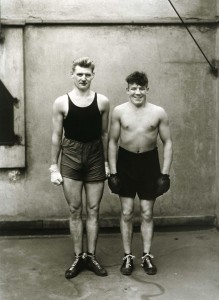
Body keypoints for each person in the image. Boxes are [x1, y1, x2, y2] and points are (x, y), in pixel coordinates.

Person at [49, 57, 110, 279]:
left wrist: (106, 162)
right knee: (75, 209)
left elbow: (104, 134)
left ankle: (90, 256)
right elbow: (57, 135)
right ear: (72, 75)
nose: (83, 78)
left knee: (93, 209)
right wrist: (53, 166)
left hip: (95, 156)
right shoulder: (61, 103)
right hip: (71, 156)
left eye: (87, 74)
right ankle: (78, 257)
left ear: (93, 76)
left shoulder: (102, 101)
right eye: (79, 74)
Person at [108, 71, 173, 276]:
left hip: (149, 164)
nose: (137, 92)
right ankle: (127, 256)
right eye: (133, 88)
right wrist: (113, 172)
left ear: (147, 89)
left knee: (147, 212)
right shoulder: (119, 111)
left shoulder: (158, 112)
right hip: (126, 163)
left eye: (141, 88)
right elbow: (112, 142)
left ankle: (146, 256)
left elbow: (168, 142)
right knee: (126, 212)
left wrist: (165, 174)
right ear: (127, 90)